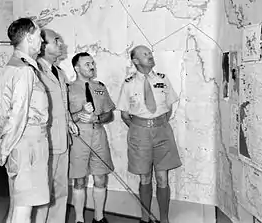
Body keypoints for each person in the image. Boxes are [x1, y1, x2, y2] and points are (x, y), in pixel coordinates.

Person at [0, 18, 49, 223]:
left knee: (19, 203)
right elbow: (18, 113)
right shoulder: (24, 70)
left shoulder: (13, 66)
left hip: (20, 141)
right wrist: (3, 149)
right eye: (39, 36)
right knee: (24, 208)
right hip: (28, 142)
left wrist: (4, 146)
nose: (42, 42)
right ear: (30, 38)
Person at [116, 45, 182, 223]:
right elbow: (124, 114)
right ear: (135, 61)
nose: (150, 56)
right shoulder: (129, 84)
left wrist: (157, 123)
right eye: (145, 54)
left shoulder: (163, 79)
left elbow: (169, 107)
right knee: (145, 176)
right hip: (140, 134)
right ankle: (145, 217)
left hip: (162, 132)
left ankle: (164, 218)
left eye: (150, 53)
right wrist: (140, 127)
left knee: (162, 177)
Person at [32, 28, 79, 223]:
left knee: (60, 192)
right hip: (45, 143)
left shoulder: (59, 72)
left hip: (62, 142)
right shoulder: (34, 72)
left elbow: (61, 104)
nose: (61, 43)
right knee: (43, 195)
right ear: (42, 46)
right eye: (56, 40)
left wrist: (69, 121)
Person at [68, 52, 115, 223]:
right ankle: (79, 219)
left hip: (98, 136)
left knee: (100, 178)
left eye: (93, 63)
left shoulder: (100, 87)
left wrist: (97, 118)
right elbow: (63, 118)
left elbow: (109, 115)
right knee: (79, 180)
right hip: (79, 138)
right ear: (76, 67)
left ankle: (99, 217)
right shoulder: (67, 88)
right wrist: (80, 114)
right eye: (87, 64)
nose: (92, 66)